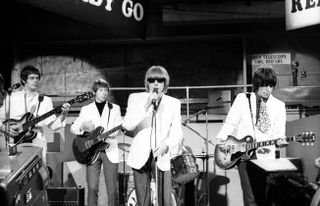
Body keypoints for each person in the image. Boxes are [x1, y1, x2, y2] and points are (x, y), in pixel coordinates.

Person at [216, 66, 287, 206]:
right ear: (257, 84)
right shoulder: (243, 99)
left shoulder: (279, 105)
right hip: (245, 155)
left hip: (266, 156)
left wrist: (280, 141)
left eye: (271, 86)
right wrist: (221, 141)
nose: (268, 89)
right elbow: (230, 123)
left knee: (265, 197)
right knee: (250, 198)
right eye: (265, 85)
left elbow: (279, 133)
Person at [122, 65, 183, 206]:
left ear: (165, 83)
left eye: (160, 80)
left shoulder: (173, 103)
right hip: (140, 154)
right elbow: (128, 125)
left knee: (165, 200)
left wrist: (167, 145)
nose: (156, 83)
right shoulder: (135, 98)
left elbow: (177, 131)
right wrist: (147, 104)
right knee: (142, 200)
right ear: (146, 82)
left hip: (161, 153)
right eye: (152, 79)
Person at [70, 78, 123, 206]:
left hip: (110, 149)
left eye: (106, 90)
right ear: (95, 92)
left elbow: (119, 127)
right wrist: (83, 128)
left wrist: (110, 133)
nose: (104, 93)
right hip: (91, 151)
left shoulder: (115, 108)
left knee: (112, 191)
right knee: (92, 188)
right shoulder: (86, 109)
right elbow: (74, 128)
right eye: (101, 90)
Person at [0, 65, 70, 161]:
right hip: (14, 142)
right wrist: (4, 128)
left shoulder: (46, 100)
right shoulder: (12, 97)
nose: (35, 81)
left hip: (37, 143)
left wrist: (63, 115)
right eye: (32, 78)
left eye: (37, 78)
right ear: (24, 80)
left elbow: (52, 126)